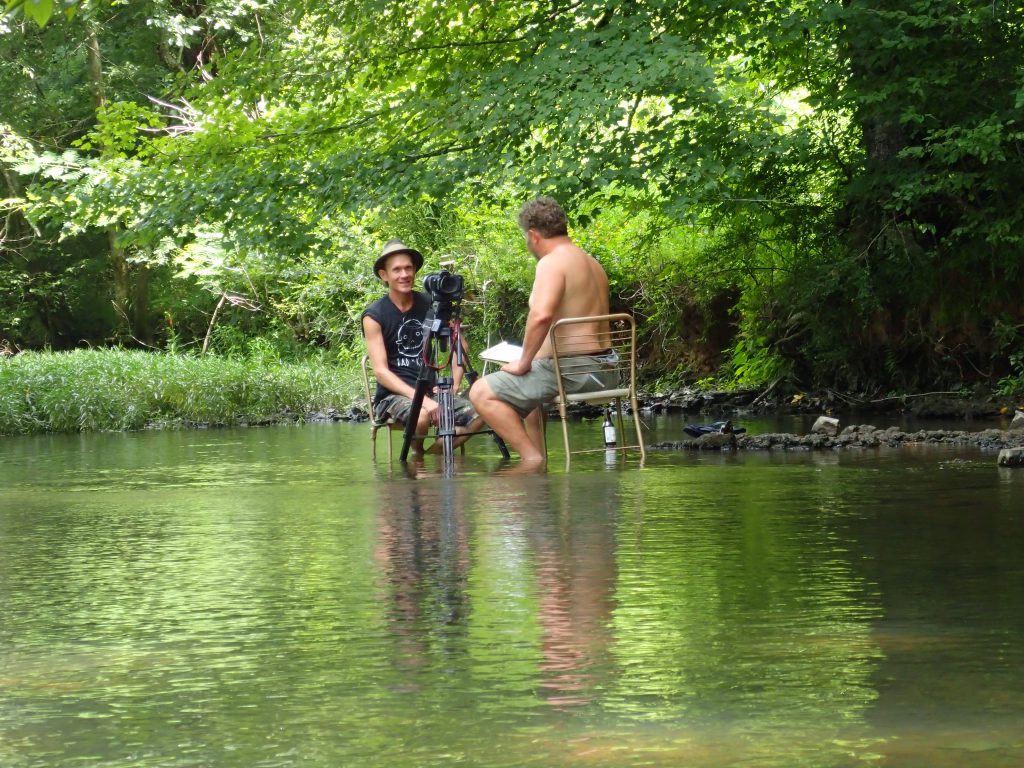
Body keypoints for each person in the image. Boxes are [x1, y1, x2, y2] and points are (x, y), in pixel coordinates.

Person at [469, 196, 616, 462]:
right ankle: (541, 466)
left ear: (534, 235)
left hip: (576, 371)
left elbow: (541, 315)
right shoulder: (592, 263)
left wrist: (523, 361)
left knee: (480, 392)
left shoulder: (552, 263)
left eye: (525, 237)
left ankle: (531, 460)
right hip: (608, 371)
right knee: (532, 396)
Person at [361, 239, 478, 453]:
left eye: (408, 268)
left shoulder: (432, 304)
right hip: (393, 396)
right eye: (396, 270)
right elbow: (380, 371)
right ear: (384, 275)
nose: (404, 274)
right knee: (421, 417)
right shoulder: (374, 315)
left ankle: (426, 460)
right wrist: (421, 400)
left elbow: (459, 346)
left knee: (482, 413)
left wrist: (454, 385)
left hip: (432, 390)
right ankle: (419, 458)